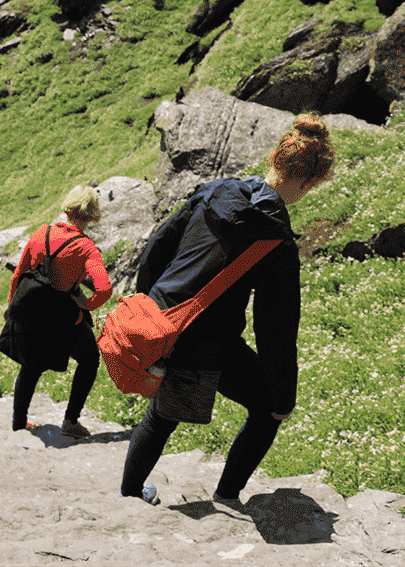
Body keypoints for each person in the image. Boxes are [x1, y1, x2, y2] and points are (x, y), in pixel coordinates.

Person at [117, 113, 337, 506]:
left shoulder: (215, 190)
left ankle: (131, 493)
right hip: (205, 338)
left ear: (273, 158)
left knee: (161, 412)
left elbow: (156, 249)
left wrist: (152, 311)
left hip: (160, 317)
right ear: (309, 182)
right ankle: (225, 497)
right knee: (269, 408)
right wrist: (284, 396)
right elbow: (276, 329)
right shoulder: (277, 242)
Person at [7, 185, 111, 438]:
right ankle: (71, 421)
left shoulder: (42, 232)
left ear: (69, 207)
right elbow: (105, 288)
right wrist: (87, 304)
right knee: (89, 359)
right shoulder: (87, 248)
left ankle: (19, 422)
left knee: (30, 365)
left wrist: (12, 306)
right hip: (62, 316)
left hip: (30, 309)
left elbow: (19, 273)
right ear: (91, 214)